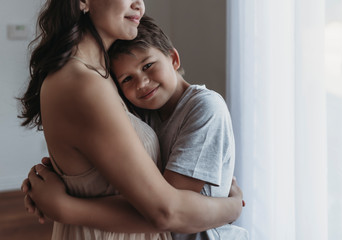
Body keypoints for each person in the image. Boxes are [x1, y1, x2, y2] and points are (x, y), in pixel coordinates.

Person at [18, 0, 244, 240]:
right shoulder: (84, 84)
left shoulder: (99, 73)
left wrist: (66, 199)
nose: (140, 5)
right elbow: (166, 213)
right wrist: (232, 206)